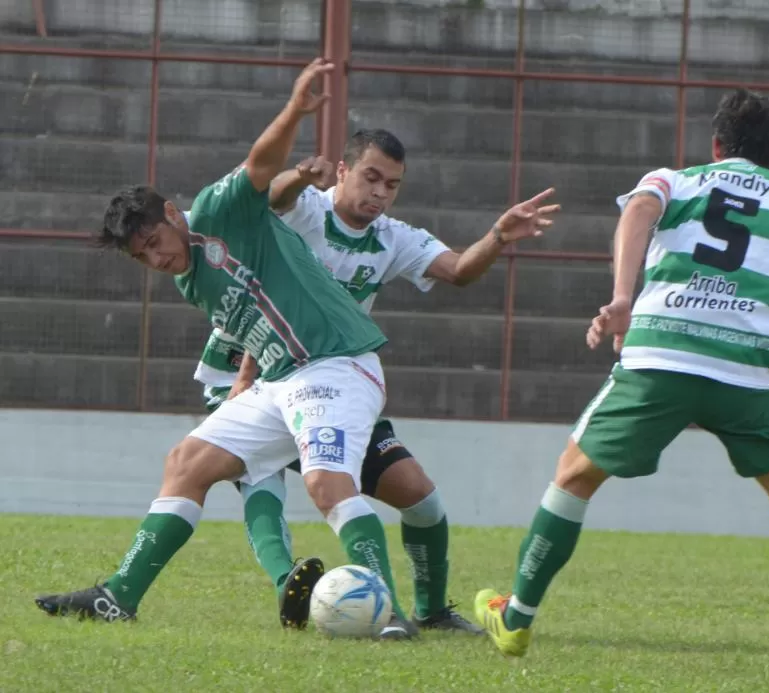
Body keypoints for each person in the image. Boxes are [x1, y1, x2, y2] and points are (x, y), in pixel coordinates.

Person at [473, 88, 769, 677]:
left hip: (665, 353)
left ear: (715, 147)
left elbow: (637, 211)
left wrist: (623, 298)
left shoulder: (676, 180)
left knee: (574, 476)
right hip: (749, 372)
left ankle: (517, 619)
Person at [34, 60, 418, 639]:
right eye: (142, 257)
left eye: (155, 243)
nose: (156, 259)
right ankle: (118, 596)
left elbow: (263, 165)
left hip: (338, 364)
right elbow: (261, 324)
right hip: (284, 379)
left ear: (171, 215)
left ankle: (389, 614)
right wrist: (244, 383)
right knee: (186, 463)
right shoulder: (190, 279)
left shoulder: (217, 210)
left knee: (324, 483)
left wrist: (294, 109)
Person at [197, 129, 558, 633]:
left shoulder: (393, 237)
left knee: (421, 499)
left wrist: (497, 235)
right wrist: (300, 174)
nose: (380, 193)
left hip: (331, 381)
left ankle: (431, 610)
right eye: (371, 177)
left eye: (392, 185)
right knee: (260, 477)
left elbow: (457, 270)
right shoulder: (306, 210)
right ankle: (288, 586)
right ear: (342, 171)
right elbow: (271, 197)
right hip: (247, 362)